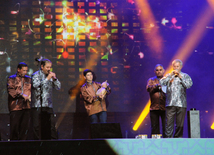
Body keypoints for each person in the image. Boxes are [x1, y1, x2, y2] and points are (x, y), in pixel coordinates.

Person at [160, 59, 193, 138]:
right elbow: (161, 82)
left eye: (177, 66)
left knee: (180, 125)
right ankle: (168, 141)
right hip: (170, 103)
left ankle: (178, 141)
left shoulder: (185, 76)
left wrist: (180, 77)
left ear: (181, 67)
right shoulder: (169, 75)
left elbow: (188, 85)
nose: (176, 68)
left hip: (181, 103)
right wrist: (170, 76)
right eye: (174, 66)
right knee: (168, 124)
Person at [31, 59, 61, 140]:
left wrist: (55, 79)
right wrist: (47, 79)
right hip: (37, 105)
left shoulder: (50, 75)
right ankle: (37, 144)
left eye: (50, 67)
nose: (49, 69)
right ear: (42, 67)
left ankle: (52, 143)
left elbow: (58, 87)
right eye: (47, 67)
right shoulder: (36, 75)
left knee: (51, 125)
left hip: (48, 105)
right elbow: (35, 85)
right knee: (37, 126)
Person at [7, 62, 31, 140]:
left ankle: (23, 146)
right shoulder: (12, 78)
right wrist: (22, 95)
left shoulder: (28, 79)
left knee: (24, 128)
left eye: (26, 70)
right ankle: (14, 147)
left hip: (26, 106)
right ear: (18, 69)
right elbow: (11, 90)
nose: (25, 72)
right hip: (15, 107)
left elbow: (31, 90)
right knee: (14, 127)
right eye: (23, 70)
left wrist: (30, 96)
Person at [147, 64, 166, 138]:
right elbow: (148, 89)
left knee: (166, 127)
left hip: (165, 107)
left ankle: (167, 143)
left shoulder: (166, 79)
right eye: (157, 70)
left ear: (163, 70)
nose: (159, 71)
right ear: (154, 71)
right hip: (154, 107)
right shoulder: (151, 80)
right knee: (154, 128)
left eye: (160, 70)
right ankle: (154, 145)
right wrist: (157, 86)